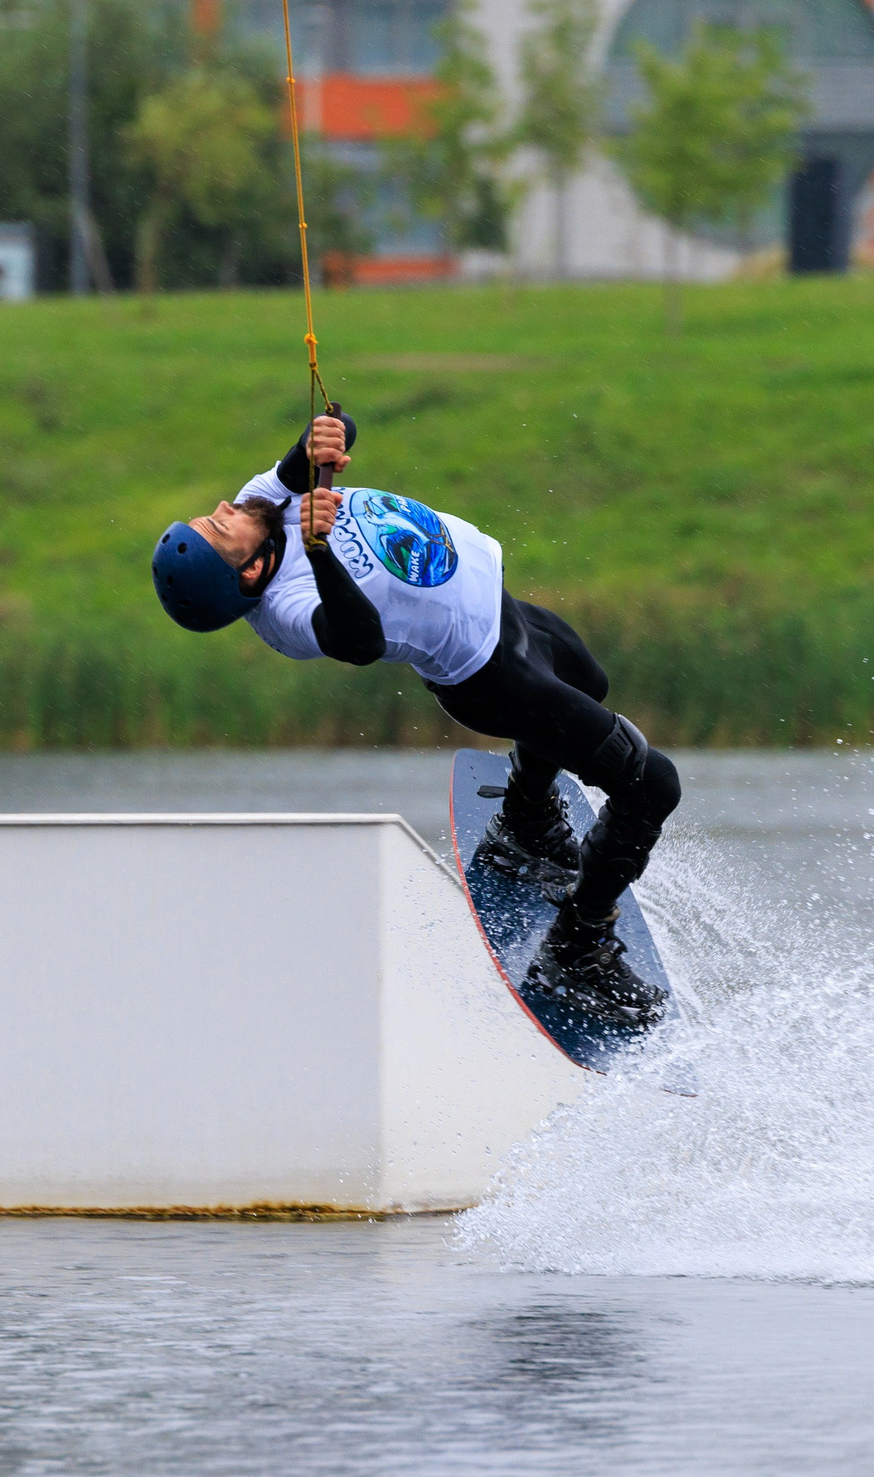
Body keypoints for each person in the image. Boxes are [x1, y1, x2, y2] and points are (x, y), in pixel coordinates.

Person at [150, 407, 680, 1023]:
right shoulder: (285, 612)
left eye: (212, 516)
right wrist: (321, 553)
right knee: (650, 784)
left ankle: (526, 823)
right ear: (247, 574)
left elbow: (332, 433)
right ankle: (578, 948)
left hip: (497, 611)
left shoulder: (260, 506)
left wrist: (327, 434)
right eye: (220, 528)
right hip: (488, 673)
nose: (225, 507)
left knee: (590, 681)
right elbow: (361, 641)